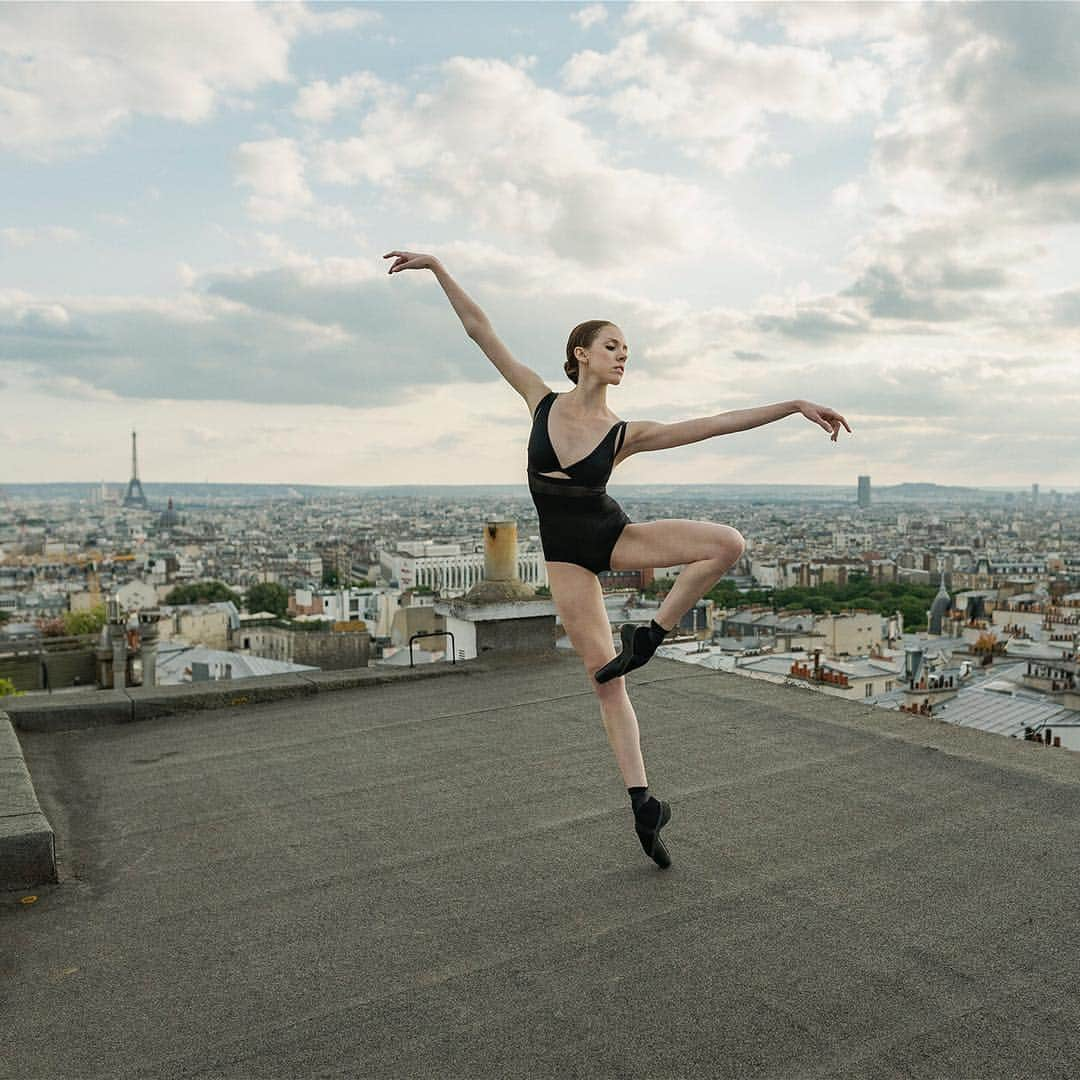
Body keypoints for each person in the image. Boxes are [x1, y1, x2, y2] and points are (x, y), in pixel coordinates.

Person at [385, 250, 852, 869]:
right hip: (565, 560)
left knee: (727, 543)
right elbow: (481, 332)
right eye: (612, 345)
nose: (622, 355)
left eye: (627, 349)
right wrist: (439, 267)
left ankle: (653, 633)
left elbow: (715, 423)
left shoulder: (624, 432)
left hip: (612, 536)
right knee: (606, 680)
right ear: (580, 352)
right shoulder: (538, 399)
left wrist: (793, 404)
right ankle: (642, 803)